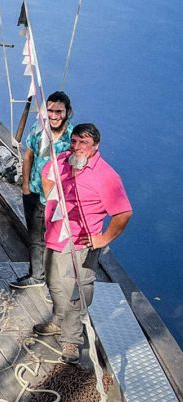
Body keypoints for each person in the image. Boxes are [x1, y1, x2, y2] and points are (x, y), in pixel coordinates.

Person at [34, 123, 132, 364]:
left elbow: (123, 213)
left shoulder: (106, 176)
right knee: (54, 283)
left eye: (84, 143)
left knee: (76, 293)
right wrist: (51, 201)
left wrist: (103, 238)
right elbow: (46, 175)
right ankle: (58, 321)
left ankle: (72, 341)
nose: (77, 147)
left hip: (79, 244)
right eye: (74, 141)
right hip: (54, 236)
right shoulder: (62, 160)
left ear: (96, 146)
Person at [11, 91, 73, 290]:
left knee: (57, 241)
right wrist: (26, 185)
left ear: (68, 112)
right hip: (35, 192)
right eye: (50, 111)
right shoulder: (39, 129)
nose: (54, 116)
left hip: (58, 198)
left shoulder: (73, 138)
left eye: (59, 111)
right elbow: (28, 156)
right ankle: (37, 275)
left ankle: (54, 281)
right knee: (36, 237)